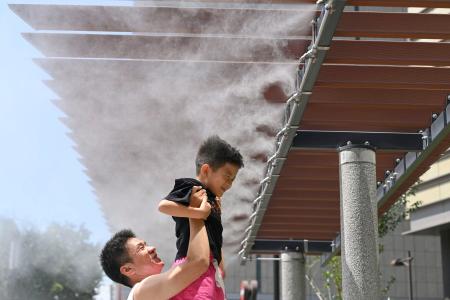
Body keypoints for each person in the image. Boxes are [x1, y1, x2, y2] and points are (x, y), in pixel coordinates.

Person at [159, 135, 244, 299]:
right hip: (192, 262)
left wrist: (220, 265)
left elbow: (215, 238)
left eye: (233, 179)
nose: (229, 184)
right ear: (206, 170)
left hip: (209, 267)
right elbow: (164, 206)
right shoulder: (192, 186)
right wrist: (197, 213)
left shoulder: (213, 199)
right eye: (227, 177)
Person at [100, 186, 211, 300]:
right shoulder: (142, 291)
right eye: (141, 248)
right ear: (128, 270)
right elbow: (199, 262)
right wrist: (195, 211)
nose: (152, 248)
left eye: (146, 244)